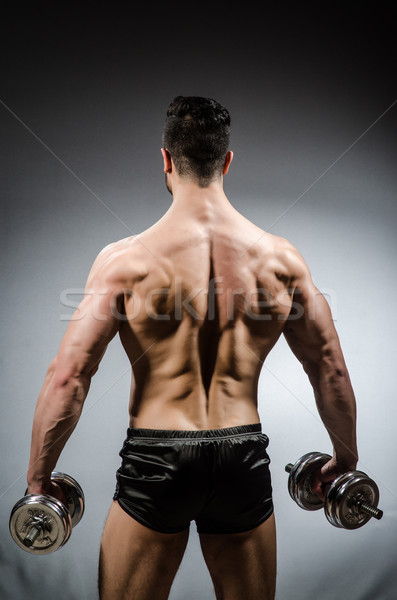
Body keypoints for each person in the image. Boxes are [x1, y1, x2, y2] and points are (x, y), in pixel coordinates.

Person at [26, 96, 358, 600]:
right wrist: (344, 461)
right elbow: (329, 368)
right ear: (227, 162)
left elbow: (69, 376)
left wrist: (38, 481)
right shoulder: (282, 261)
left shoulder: (124, 262)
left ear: (165, 160)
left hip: (157, 459)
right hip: (242, 455)